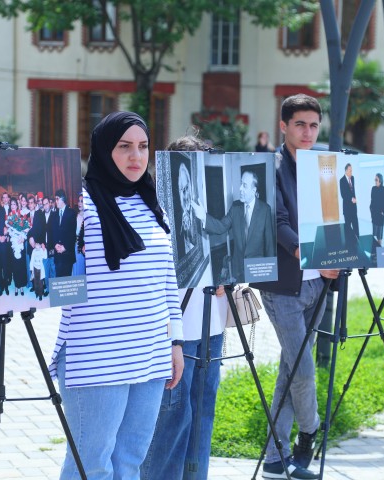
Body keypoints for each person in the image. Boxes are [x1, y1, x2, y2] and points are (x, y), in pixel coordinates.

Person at [49, 111, 184, 479]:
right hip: (96, 355)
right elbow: (58, 278)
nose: (136, 157)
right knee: (90, 464)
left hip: (152, 353)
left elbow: (167, 281)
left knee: (130, 461)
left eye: (143, 147)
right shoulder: (81, 205)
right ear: (105, 150)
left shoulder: (152, 203)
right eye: (124, 147)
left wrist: (175, 342)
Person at [250, 94, 339, 480]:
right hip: (282, 284)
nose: (308, 132)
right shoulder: (270, 166)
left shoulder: (323, 167)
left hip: (318, 282)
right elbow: (278, 220)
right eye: (300, 124)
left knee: (290, 369)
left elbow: (333, 216)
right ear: (284, 125)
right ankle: (309, 432)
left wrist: (333, 260)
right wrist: (310, 253)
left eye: (314, 125)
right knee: (303, 369)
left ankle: (274, 458)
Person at [142, 134, 228, 480]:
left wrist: (230, 273)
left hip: (213, 326)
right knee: (172, 419)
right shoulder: (154, 211)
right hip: (175, 330)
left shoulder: (212, 207)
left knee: (203, 414)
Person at [192, 170, 275, 283]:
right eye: (241, 184)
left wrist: (270, 275)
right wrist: (204, 217)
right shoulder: (236, 207)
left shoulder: (265, 209)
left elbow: (269, 244)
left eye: (244, 185)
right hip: (238, 269)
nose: (240, 188)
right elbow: (221, 227)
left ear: (253, 190)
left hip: (257, 268)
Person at [5, 198, 31, 296]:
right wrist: (11, 234)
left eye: (14, 204)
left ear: (17, 205)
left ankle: (21, 286)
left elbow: (26, 228)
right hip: (13, 243)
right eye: (11, 204)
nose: (13, 206)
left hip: (20, 242)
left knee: (21, 265)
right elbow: (8, 230)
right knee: (15, 265)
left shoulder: (21, 215)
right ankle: (16, 286)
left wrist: (22, 237)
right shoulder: (9, 217)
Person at [50, 189, 77, 277]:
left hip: (67, 253)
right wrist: (55, 245)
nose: (56, 201)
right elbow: (52, 232)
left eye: (57, 199)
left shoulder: (72, 213)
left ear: (62, 199)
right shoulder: (54, 214)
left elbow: (72, 235)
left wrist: (64, 247)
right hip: (57, 254)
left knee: (66, 282)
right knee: (59, 280)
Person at [176, 162, 200, 257]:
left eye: (186, 188)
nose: (185, 195)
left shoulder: (196, 210)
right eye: (181, 190)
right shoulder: (179, 219)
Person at [339, 163, 359, 240]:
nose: (351, 172)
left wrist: (354, 199)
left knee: (356, 226)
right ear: (346, 171)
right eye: (350, 171)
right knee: (347, 227)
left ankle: (357, 240)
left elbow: (353, 191)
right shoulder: (342, 180)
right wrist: (351, 199)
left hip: (354, 208)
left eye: (352, 170)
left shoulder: (352, 178)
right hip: (347, 209)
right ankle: (348, 243)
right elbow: (343, 195)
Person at [369, 173, 384, 244]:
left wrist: (383, 212)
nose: (375, 181)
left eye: (376, 179)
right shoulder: (373, 188)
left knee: (379, 237)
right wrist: (371, 208)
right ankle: (374, 251)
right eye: (375, 179)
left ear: (380, 180)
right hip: (374, 214)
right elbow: (372, 200)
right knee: (374, 235)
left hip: (380, 215)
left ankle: (379, 251)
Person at [72, 193, 86, 276]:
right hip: (75, 246)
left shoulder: (88, 217)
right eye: (79, 201)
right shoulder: (75, 216)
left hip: (83, 246)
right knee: (75, 268)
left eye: (82, 201)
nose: (79, 203)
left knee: (81, 268)